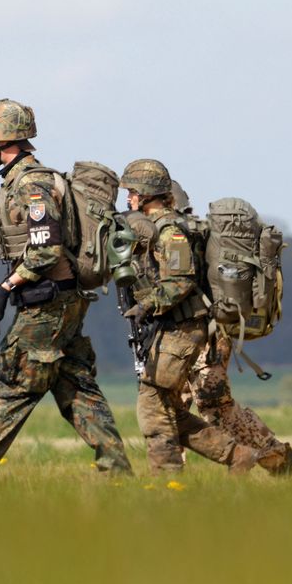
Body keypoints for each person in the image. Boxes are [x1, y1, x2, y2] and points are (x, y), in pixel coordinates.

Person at [0, 99, 133, 476]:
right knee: (77, 390)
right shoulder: (19, 182)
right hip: (61, 302)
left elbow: (46, 250)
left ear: (4, 138)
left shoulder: (31, 184)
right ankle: (117, 474)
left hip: (47, 305)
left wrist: (6, 286)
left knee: (10, 385)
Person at [119, 160, 262, 474]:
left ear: (145, 194)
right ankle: (237, 455)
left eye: (131, 191)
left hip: (182, 327)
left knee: (152, 406)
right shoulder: (151, 227)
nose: (128, 198)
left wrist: (147, 305)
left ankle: (168, 485)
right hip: (169, 327)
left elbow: (181, 279)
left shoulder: (169, 230)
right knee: (168, 408)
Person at [170, 181, 292, 475]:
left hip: (207, 335)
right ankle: (171, 471)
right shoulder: (194, 233)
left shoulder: (181, 235)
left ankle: (277, 456)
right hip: (199, 333)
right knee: (174, 405)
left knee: (214, 407)